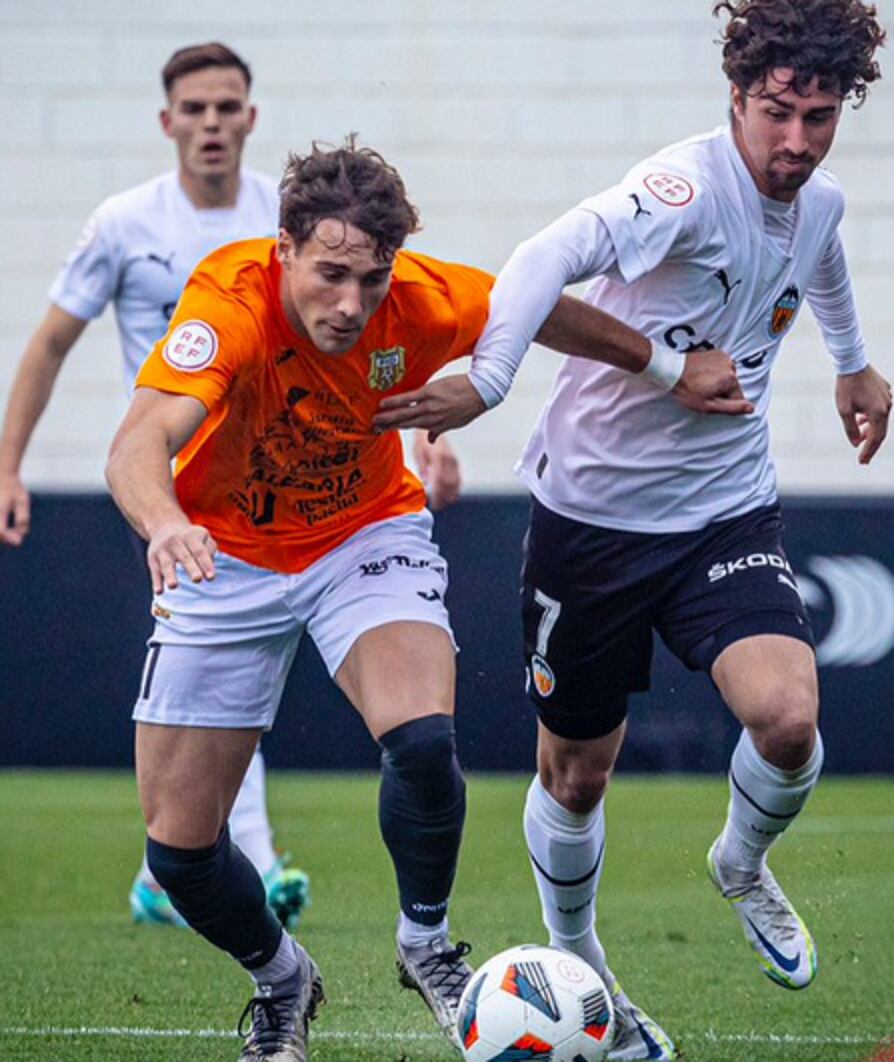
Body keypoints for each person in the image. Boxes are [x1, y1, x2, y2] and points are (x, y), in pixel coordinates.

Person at [103, 134, 748, 1059]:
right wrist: (165, 524)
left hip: (360, 534)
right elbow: (138, 441)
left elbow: (542, 312)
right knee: (178, 852)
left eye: (371, 279)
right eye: (329, 275)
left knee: (422, 741)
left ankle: (427, 943)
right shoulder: (230, 303)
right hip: (223, 556)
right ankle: (283, 980)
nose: (352, 305)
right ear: (283, 248)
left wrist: (666, 368)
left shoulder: (422, 299)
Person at [372, 2, 891, 1058]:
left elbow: (823, 258)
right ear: (738, 96)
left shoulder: (818, 198)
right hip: (592, 524)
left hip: (724, 510)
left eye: (821, 118)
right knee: (577, 774)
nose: (796, 142)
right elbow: (539, 255)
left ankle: (741, 862)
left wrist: (851, 361)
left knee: (789, 720)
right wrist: (490, 379)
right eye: (778, 113)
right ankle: (585, 973)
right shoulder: (685, 189)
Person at [0, 42, 311, 932]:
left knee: (229, 663)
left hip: (282, 480)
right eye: (196, 108)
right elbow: (50, 343)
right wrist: (8, 465)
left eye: (227, 107)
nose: (212, 123)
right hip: (174, 486)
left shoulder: (282, 220)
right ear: (167, 121)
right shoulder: (124, 223)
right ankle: (247, 853)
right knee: (226, 651)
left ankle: (167, 867)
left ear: (250, 117)